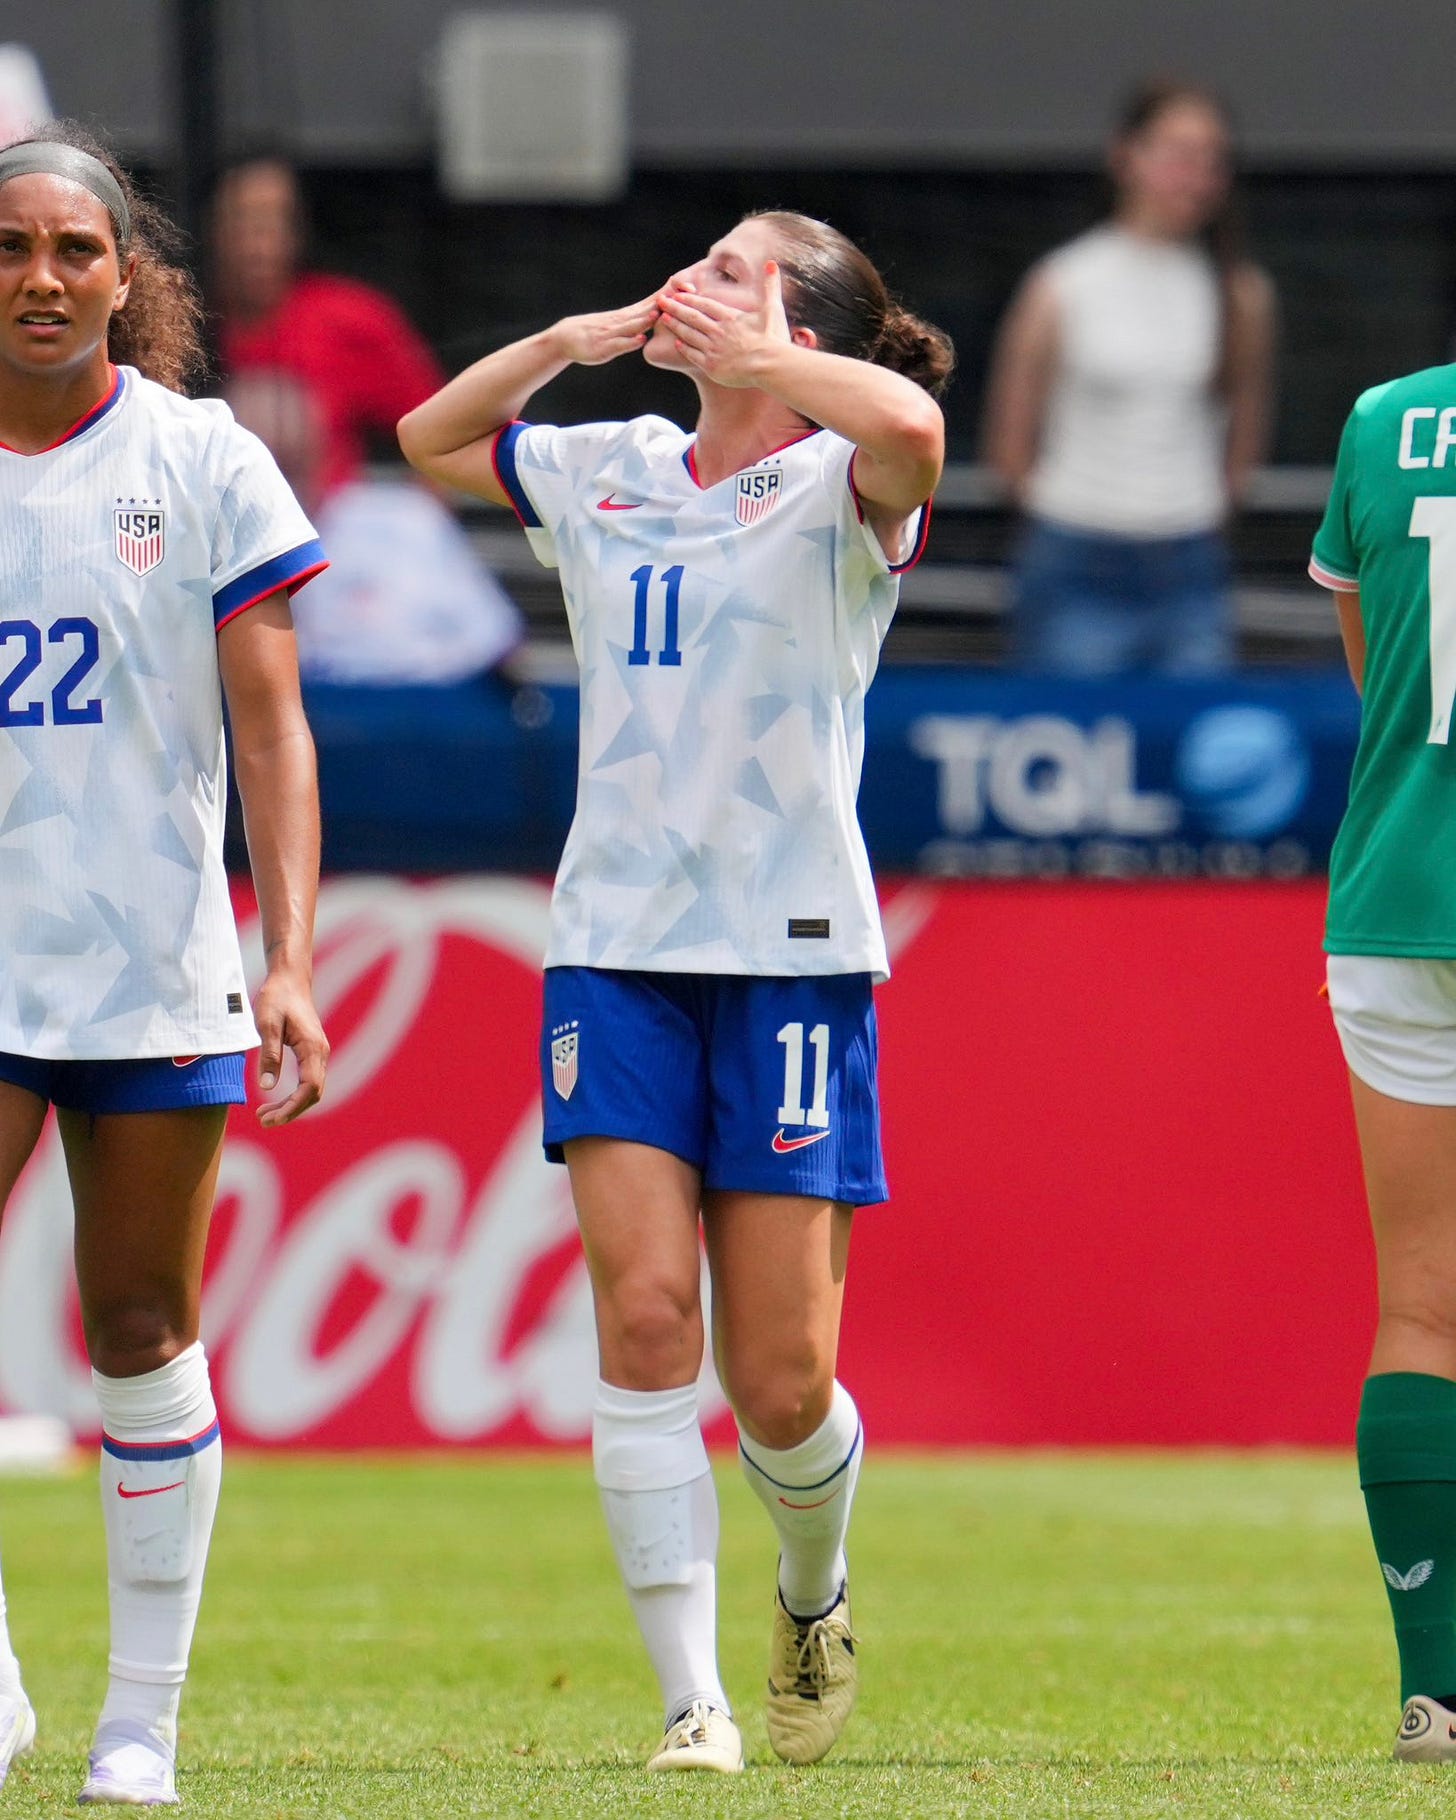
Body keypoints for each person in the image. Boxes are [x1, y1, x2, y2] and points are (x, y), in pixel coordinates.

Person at [399, 212, 951, 1771]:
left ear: (804, 337)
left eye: (735, 271)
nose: (695, 282)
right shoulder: (611, 460)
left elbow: (913, 427)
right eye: (700, 263)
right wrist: (575, 344)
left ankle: (812, 1584)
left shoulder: (843, 482)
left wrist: (770, 362)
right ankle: (691, 1704)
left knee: (780, 1385)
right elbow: (433, 436)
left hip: (789, 956)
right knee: (646, 1321)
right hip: (617, 946)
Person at [0, 124, 329, 1804]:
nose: (41, 278)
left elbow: (273, 730)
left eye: (74, 249)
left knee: (136, 1322)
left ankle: (142, 1722)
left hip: (147, 965)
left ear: (129, 278)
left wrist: (290, 958)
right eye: (9, 248)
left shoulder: (203, 460)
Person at [1311, 363, 1456, 1760]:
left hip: (1400, 890)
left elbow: (1378, 676)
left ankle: (1437, 1691)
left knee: (1421, 1310)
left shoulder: (1384, 420)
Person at [983, 78, 1275, 673]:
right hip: (1076, 552)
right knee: (1073, 742)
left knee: (1191, 748)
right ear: (1126, 156)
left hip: (1189, 560)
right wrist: (1057, 504)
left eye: (1211, 160)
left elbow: (1246, 434)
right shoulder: (1062, 283)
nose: (1195, 175)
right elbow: (1009, 440)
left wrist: (1206, 506)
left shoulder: (1241, 294)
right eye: (1177, 154)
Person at [223, 370, 524, 687]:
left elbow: (498, 641)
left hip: (426, 713)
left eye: (289, 462)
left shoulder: (404, 520)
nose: (281, 482)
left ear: (321, 449)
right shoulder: (216, 552)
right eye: (267, 465)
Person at [211, 154, 444, 498]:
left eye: (275, 223)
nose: (259, 246)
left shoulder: (350, 319)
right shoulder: (179, 326)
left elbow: (441, 437)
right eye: (243, 222)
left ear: (298, 232)